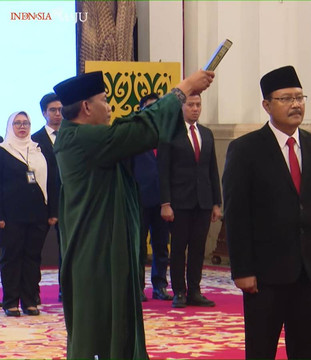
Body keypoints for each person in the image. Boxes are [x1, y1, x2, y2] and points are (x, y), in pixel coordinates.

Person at [54, 69, 215, 359]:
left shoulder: (79, 136)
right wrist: (185, 87)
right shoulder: (81, 139)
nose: (110, 107)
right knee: (98, 328)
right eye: (104, 100)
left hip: (98, 248)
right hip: (96, 253)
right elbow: (138, 129)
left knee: (109, 325)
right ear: (87, 107)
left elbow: (130, 125)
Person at [222, 65, 311, 359]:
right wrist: (242, 270)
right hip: (264, 275)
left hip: (310, 271)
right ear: (267, 105)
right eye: (286, 98)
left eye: (300, 98)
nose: (296, 105)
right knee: (261, 349)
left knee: (305, 351)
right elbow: (237, 214)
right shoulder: (245, 149)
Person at [158, 93, 222, 308]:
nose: (195, 109)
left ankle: (195, 290)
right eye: (191, 105)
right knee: (178, 248)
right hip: (179, 202)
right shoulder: (170, 134)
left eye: (198, 105)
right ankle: (179, 291)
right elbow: (163, 171)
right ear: (181, 107)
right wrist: (165, 203)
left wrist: (216, 202)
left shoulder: (206, 133)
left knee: (198, 248)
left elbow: (212, 169)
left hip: (203, 201)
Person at [0, 112, 58, 317]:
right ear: (10, 126)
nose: (22, 127)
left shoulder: (38, 150)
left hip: (37, 214)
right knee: (12, 258)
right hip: (11, 216)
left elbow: (51, 182)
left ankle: (30, 301)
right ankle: (10, 302)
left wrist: (52, 211)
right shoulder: (3, 151)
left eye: (26, 123)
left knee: (33, 258)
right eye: (17, 123)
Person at [132, 93, 172, 302]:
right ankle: (138, 287)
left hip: (162, 200)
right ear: (141, 110)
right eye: (149, 108)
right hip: (138, 199)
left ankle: (160, 286)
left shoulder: (167, 134)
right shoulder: (135, 134)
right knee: (138, 248)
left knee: (161, 245)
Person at [32, 93, 63, 302]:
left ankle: (66, 290)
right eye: (53, 110)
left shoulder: (72, 135)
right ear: (44, 113)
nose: (58, 114)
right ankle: (31, 293)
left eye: (61, 110)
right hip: (42, 204)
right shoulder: (35, 141)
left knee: (68, 251)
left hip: (68, 202)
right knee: (34, 252)